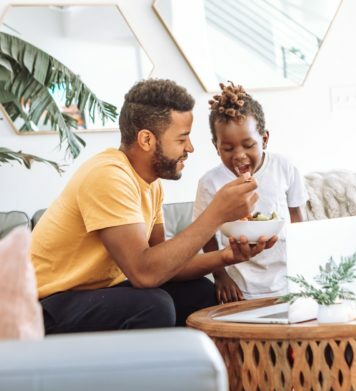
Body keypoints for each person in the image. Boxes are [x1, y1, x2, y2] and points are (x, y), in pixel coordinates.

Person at [31, 78, 277, 333]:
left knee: (200, 292)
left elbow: (164, 264)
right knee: (153, 306)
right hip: (45, 306)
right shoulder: (108, 175)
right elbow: (144, 273)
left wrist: (226, 257)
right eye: (182, 139)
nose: (190, 148)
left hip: (92, 295)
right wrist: (216, 213)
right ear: (147, 140)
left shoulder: (151, 184)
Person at [193, 82, 307, 303]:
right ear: (216, 145)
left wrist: (306, 266)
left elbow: (298, 216)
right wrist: (220, 276)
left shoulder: (284, 166)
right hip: (241, 285)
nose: (239, 155)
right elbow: (205, 236)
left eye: (248, 145)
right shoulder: (210, 183)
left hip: (289, 280)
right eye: (227, 148)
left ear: (264, 139)